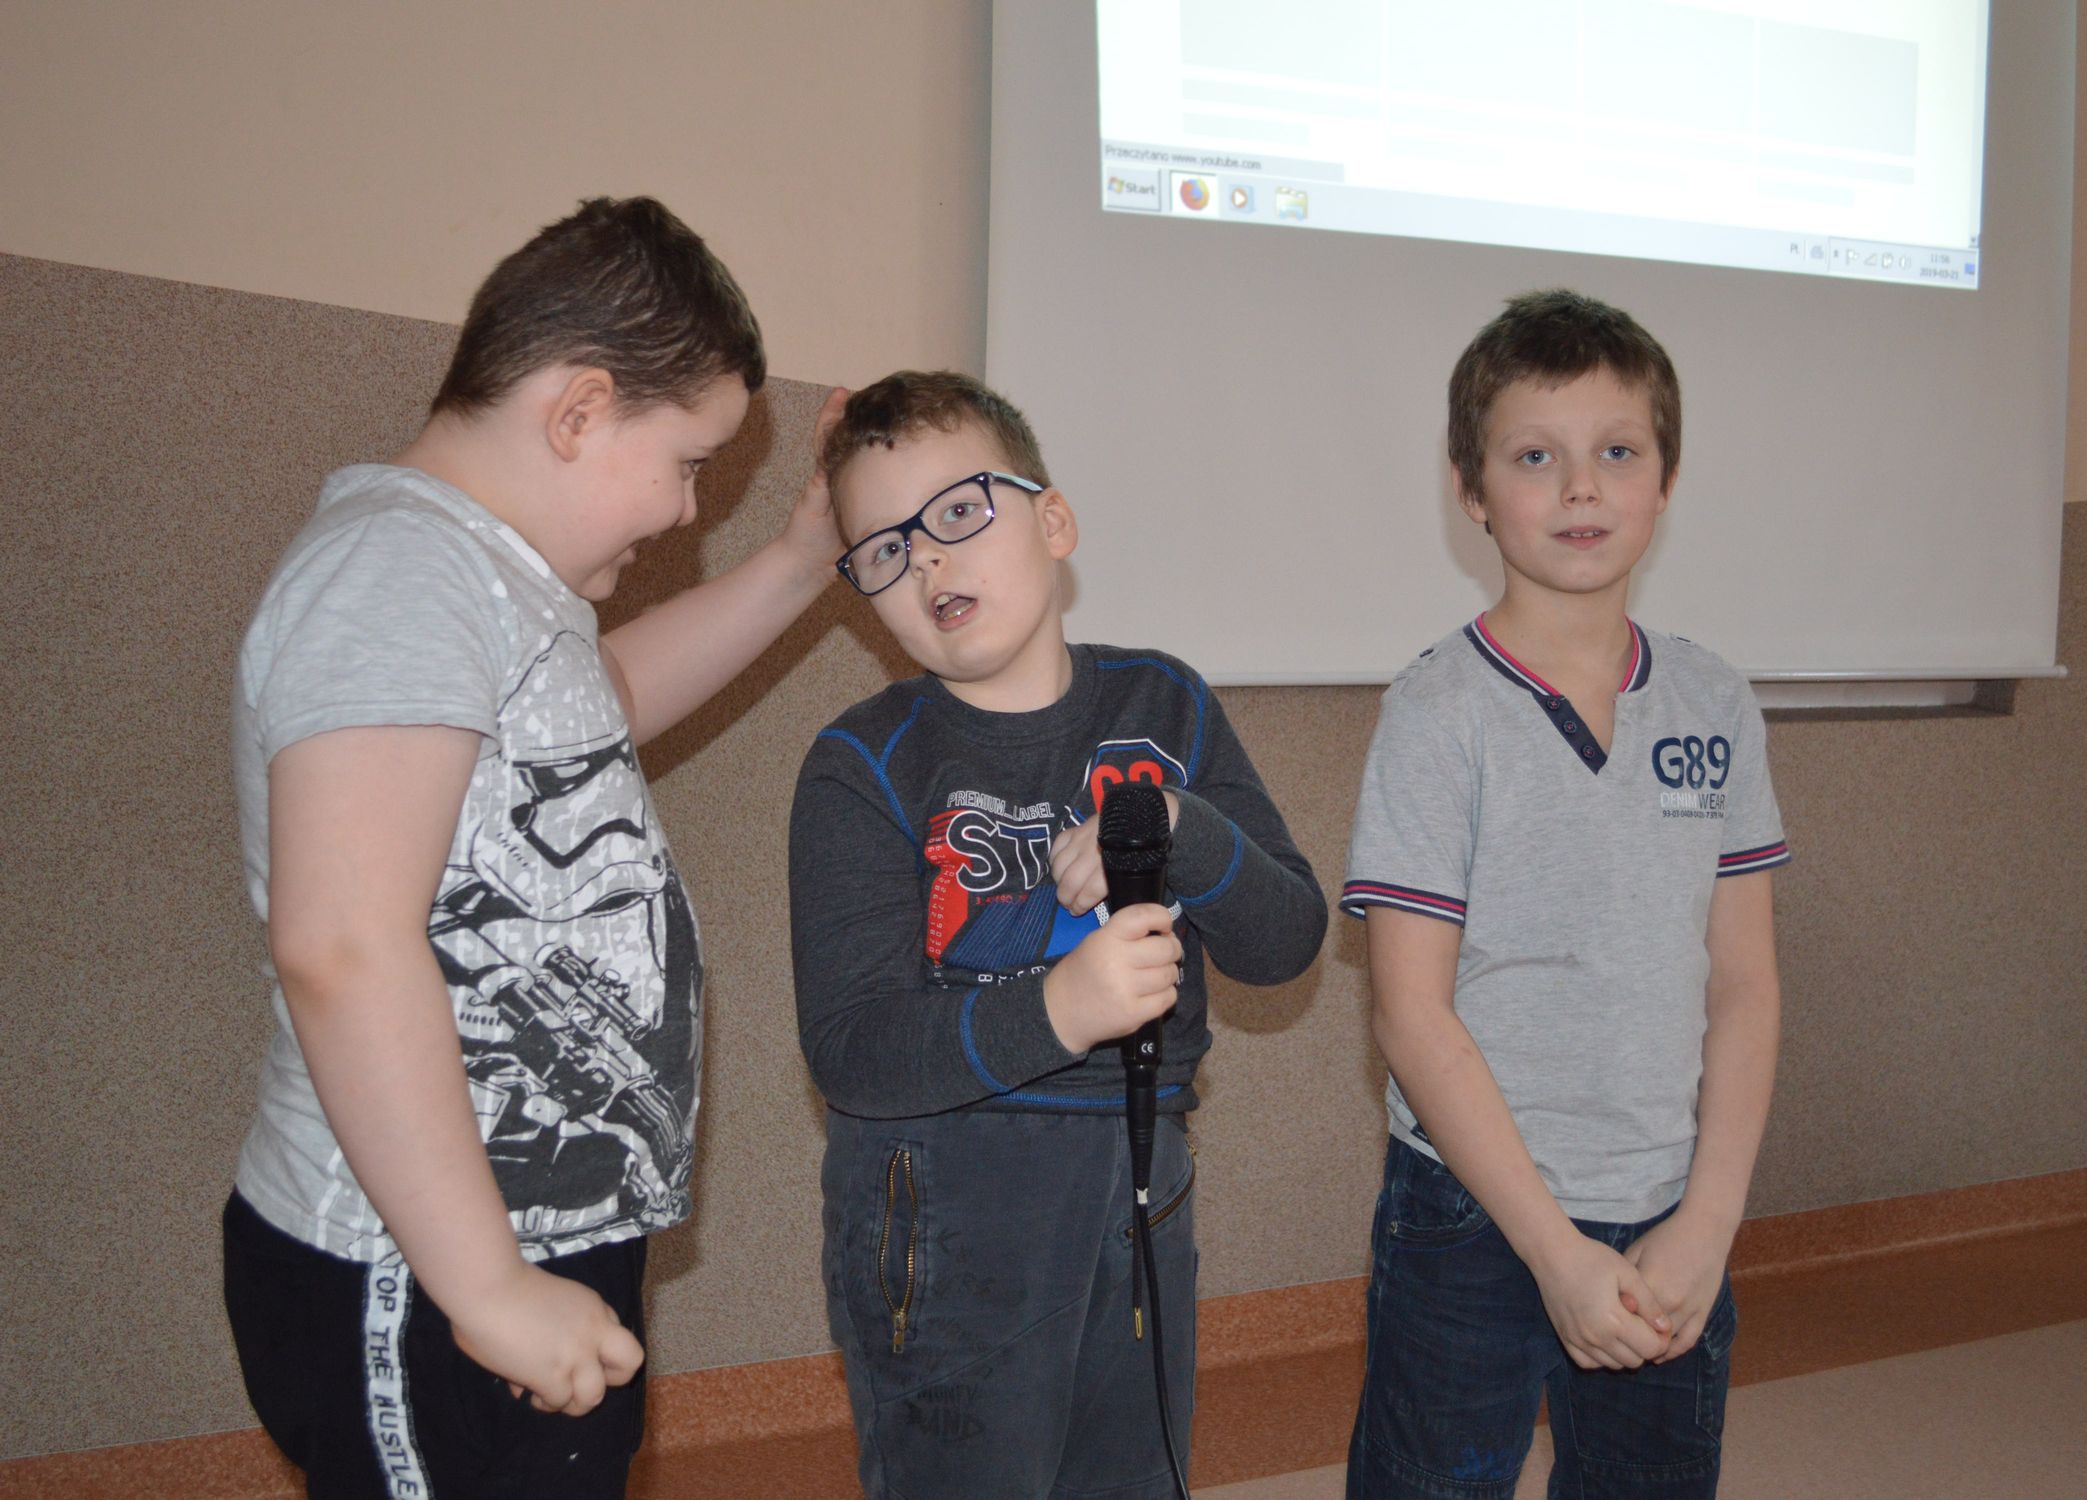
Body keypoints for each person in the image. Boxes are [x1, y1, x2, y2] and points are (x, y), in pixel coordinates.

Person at [224, 195, 845, 1498]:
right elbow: (342, 942)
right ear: (578, 410)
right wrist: (486, 1285)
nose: (687, 510)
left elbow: (607, 699)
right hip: (421, 1260)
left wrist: (802, 562)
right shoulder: (401, 573)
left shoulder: (496, 587)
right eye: (688, 462)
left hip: (511, 1237)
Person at [789, 370, 1328, 1497]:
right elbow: (854, 1050)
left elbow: (1285, 941)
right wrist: (1060, 1009)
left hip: (1142, 1180)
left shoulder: (1167, 705)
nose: (926, 560)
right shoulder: (859, 763)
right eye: (884, 549)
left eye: (958, 511)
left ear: (1055, 523)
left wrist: (1186, 830)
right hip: (942, 1212)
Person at [1341, 289, 1789, 1498]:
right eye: (1536, 457)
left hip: (1669, 1209)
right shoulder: (1436, 713)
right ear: (1473, 490)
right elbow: (1411, 1015)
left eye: (1618, 452)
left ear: (1667, 479)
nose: (1581, 487)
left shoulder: (1714, 701)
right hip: (1471, 1216)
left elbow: (1746, 986)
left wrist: (1710, 1223)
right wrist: (1554, 1252)